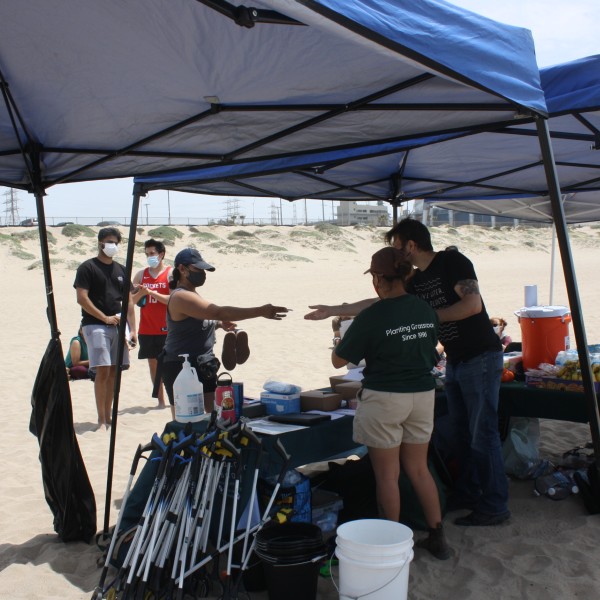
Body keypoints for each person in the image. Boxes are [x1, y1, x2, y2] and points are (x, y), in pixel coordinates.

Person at [305, 218, 509, 527]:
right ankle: (467, 494)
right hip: (454, 360)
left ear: (410, 245)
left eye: (396, 245)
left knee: (483, 434)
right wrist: (336, 309)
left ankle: (495, 505)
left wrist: (420, 318)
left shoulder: (452, 261)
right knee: (462, 434)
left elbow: (472, 305)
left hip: (481, 357)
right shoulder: (412, 278)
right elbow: (384, 299)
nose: (395, 252)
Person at [332, 247, 450, 559]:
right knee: (419, 469)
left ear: (378, 279)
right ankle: (437, 535)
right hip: (423, 395)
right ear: (407, 274)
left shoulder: (373, 315)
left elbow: (338, 360)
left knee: (387, 475)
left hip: (385, 397)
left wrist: (338, 339)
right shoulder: (424, 309)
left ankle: (390, 544)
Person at [160, 248, 289, 419]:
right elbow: (218, 312)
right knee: (187, 421)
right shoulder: (180, 296)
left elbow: (205, 319)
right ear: (182, 269)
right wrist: (260, 311)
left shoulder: (192, 293)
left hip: (203, 363)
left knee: (211, 417)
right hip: (181, 366)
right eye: (198, 269)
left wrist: (219, 325)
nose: (202, 274)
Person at [74, 227, 137, 428]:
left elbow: (128, 301)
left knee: (113, 372)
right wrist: (104, 317)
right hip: (95, 325)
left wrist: (133, 329)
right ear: (100, 242)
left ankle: (109, 416)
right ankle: (101, 418)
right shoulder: (87, 267)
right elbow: (81, 298)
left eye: (116, 243)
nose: (113, 246)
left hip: (118, 326)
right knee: (101, 371)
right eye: (110, 242)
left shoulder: (121, 269)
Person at [131, 239, 172, 408]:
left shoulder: (170, 273)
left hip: (168, 328)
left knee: (170, 364)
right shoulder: (141, 275)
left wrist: (152, 293)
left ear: (161, 254)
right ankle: (160, 400)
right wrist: (141, 293)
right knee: (153, 364)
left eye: (152, 254)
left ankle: (172, 399)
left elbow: (173, 300)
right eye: (147, 254)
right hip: (147, 328)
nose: (150, 257)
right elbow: (130, 302)